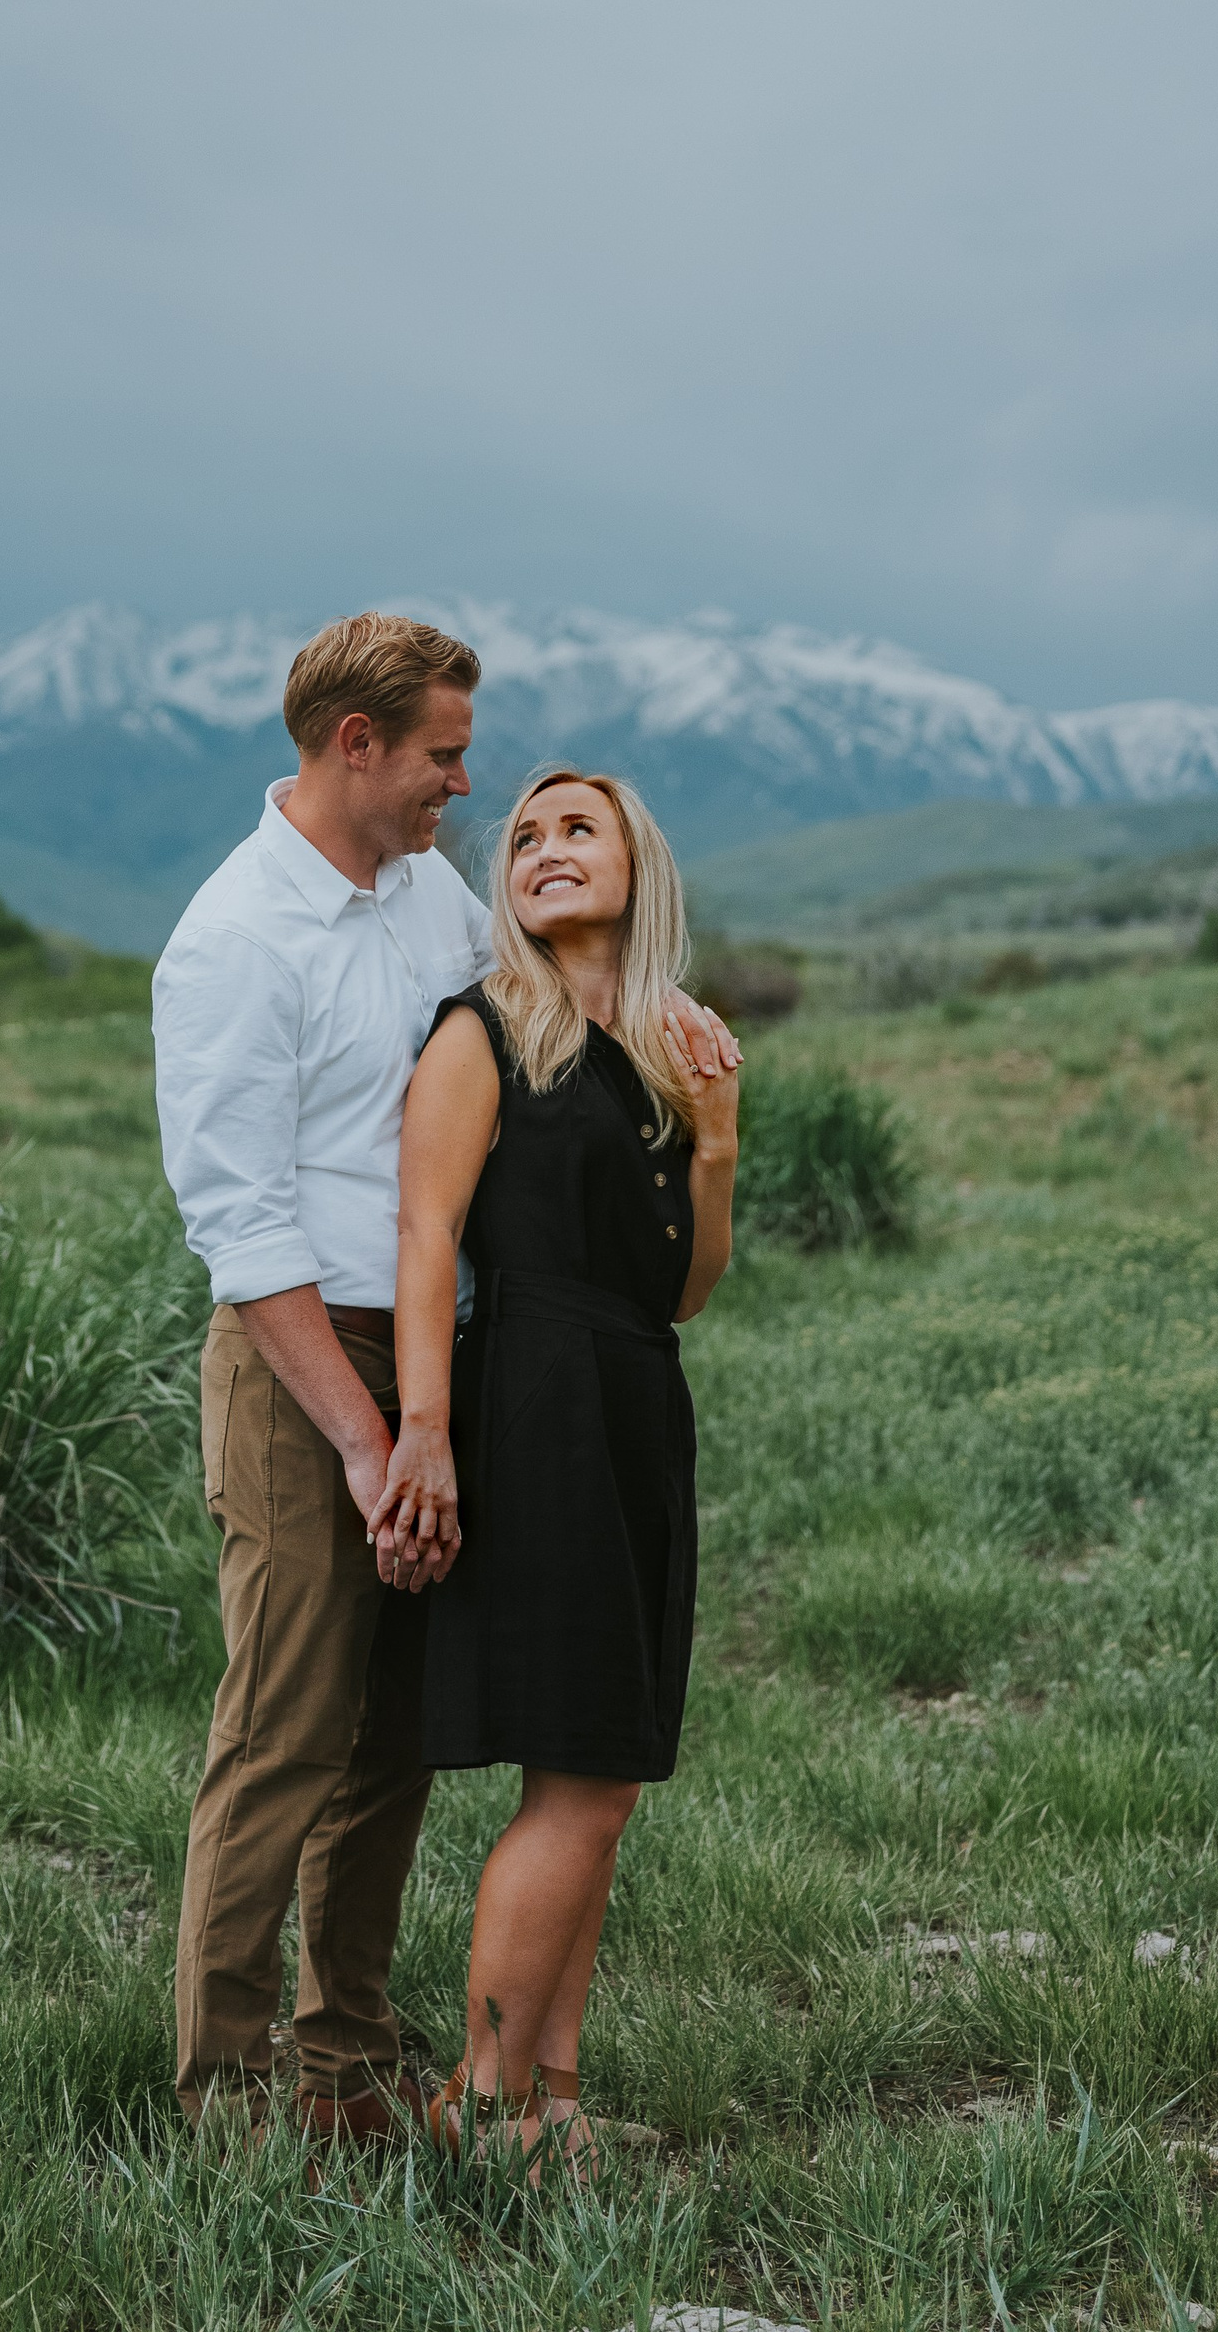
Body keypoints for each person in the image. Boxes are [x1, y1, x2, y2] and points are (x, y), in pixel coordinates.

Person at [154, 618, 738, 2148]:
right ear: (358, 743)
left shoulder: (426, 907)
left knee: (397, 1738)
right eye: (443, 756)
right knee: (285, 1725)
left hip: (458, 1367)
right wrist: (370, 1437)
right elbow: (242, 1225)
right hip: (305, 1356)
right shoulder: (233, 941)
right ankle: (222, 2094)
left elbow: (555, 1052)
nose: (463, 786)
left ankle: (343, 2065)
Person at [372, 765, 737, 2175]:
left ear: (639, 862)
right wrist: (423, 1431)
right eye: (522, 836)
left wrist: (713, 1136)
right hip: (529, 1398)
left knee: (610, 1774)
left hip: (638, 1399)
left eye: (576, 829)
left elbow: (687, 1286)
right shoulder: (481, 1032)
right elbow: (425, 1236)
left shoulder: (660, 1048)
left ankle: (553, 2099)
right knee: (575, 1776)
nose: (542, 850)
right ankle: (480, 2107)